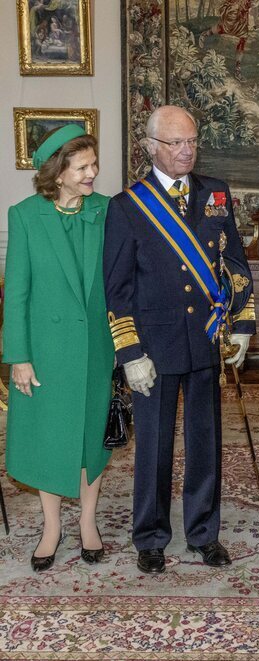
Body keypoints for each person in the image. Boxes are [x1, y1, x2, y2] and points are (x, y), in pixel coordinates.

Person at [103, 105, 256, 574]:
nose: (186, 151)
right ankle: (150, 536)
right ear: (150, 147)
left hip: (206, 340)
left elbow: (234, 263)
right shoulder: (127, 206)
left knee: (205, 441)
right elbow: (118, 288)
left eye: (192, 141)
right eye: (175, 143)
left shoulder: (216, 194)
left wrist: (243, 324)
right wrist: (130, 353)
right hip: (154, 345)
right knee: (153, 445)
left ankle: (204, 533)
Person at [3, 126, 114, 571]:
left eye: (93, 164)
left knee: (91, 435)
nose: (93, 173)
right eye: (83, 167)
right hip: (46, 350)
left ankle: (88, 521)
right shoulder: (25, 215)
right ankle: (52, 527)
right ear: (58, 172)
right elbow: (18, 293)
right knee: (50, 438)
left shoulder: (108, 211)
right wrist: (18, 356)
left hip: (96, 348)